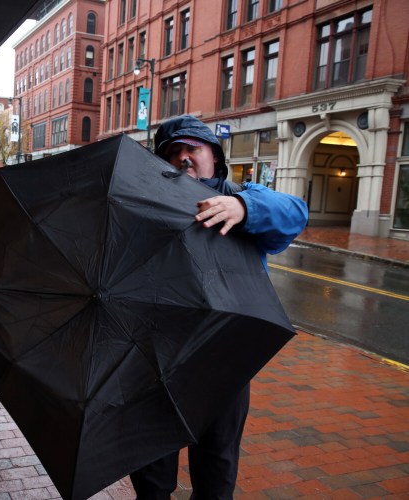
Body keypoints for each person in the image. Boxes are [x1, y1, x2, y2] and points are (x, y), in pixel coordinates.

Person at [129, 115, 308, 499]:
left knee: (216, 474)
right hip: (156, 362)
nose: (184, 158)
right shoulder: (144, 205)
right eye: (173, 152)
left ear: (214, 154)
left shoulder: (240, 198)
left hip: (224, 361)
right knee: (152, 476)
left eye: (192, 148)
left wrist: (244, 207)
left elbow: (295, 212)